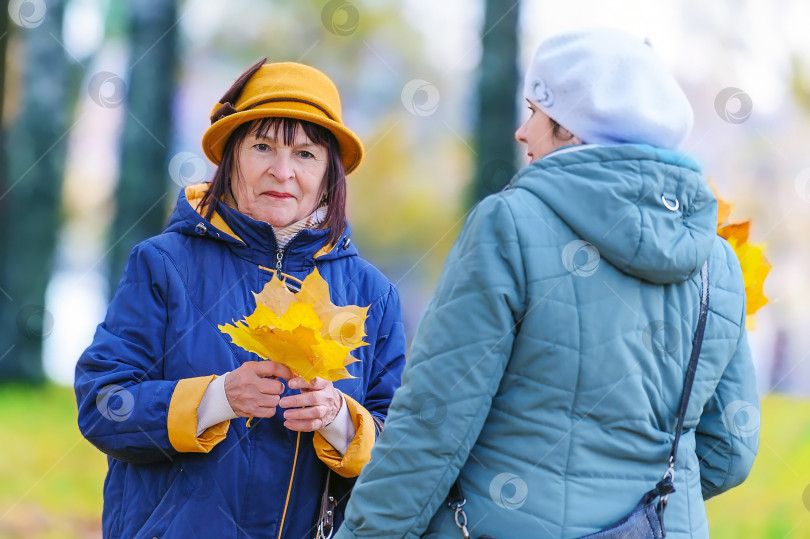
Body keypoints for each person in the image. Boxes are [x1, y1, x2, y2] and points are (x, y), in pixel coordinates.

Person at [335, 28, 759, 538]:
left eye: (535, 111)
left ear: (573, 129)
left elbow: (433, 426)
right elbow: (731, 450)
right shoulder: (717, 261)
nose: (520, 130)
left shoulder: (509, 226)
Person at [75, 59, 406, 538]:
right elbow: (103, 405)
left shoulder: (374, 296)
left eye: (306, 154)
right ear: (231, 158)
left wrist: (337, 419)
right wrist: (216, 398)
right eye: (263, 147)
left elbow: (403, 452)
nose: (282, 171)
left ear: (330, 174)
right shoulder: (164, 265)